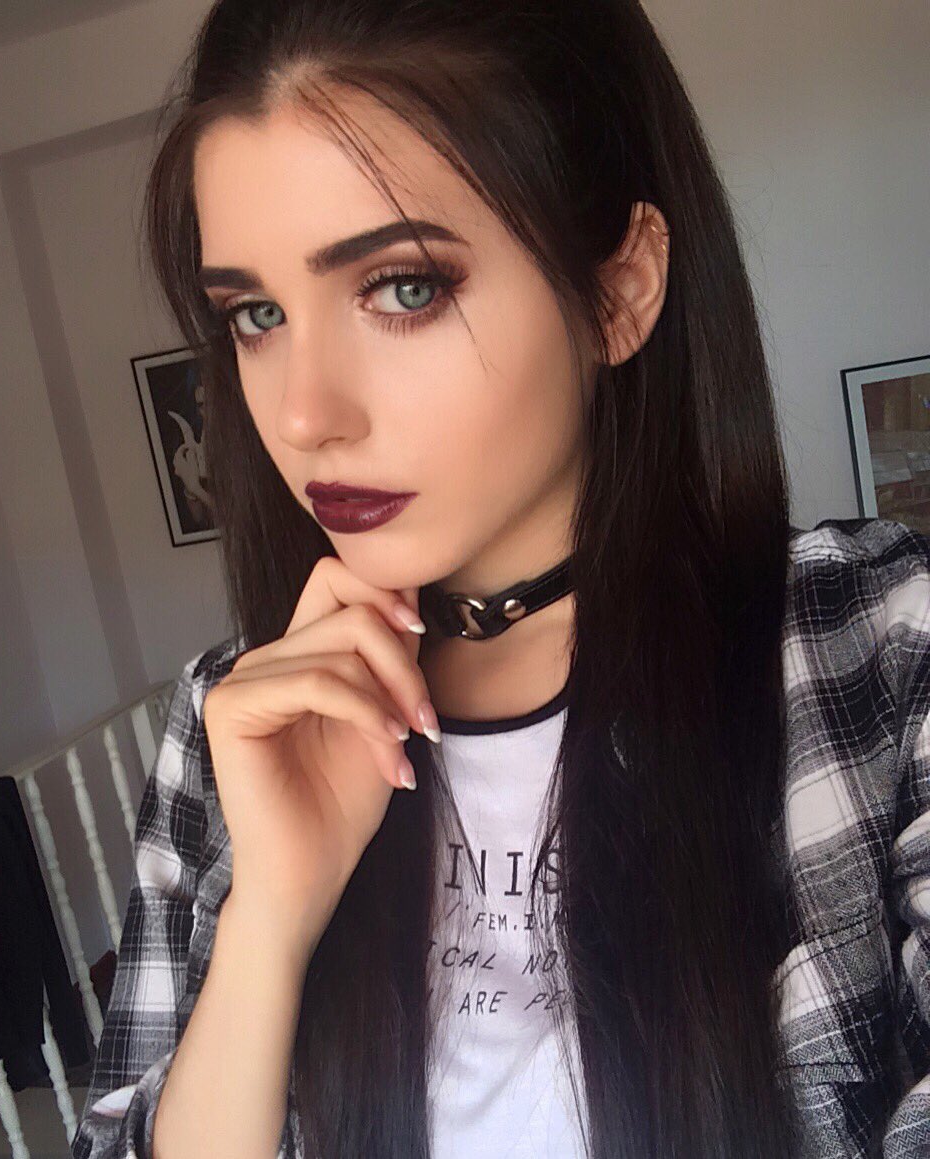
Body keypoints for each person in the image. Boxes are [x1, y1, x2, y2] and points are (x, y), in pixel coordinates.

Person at [71, 1, 930, 1156]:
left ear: (620, 290)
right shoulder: (236, 720)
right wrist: (270, 917)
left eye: (403, 288)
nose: (304, 415)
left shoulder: (882, 652)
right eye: (257, 314)